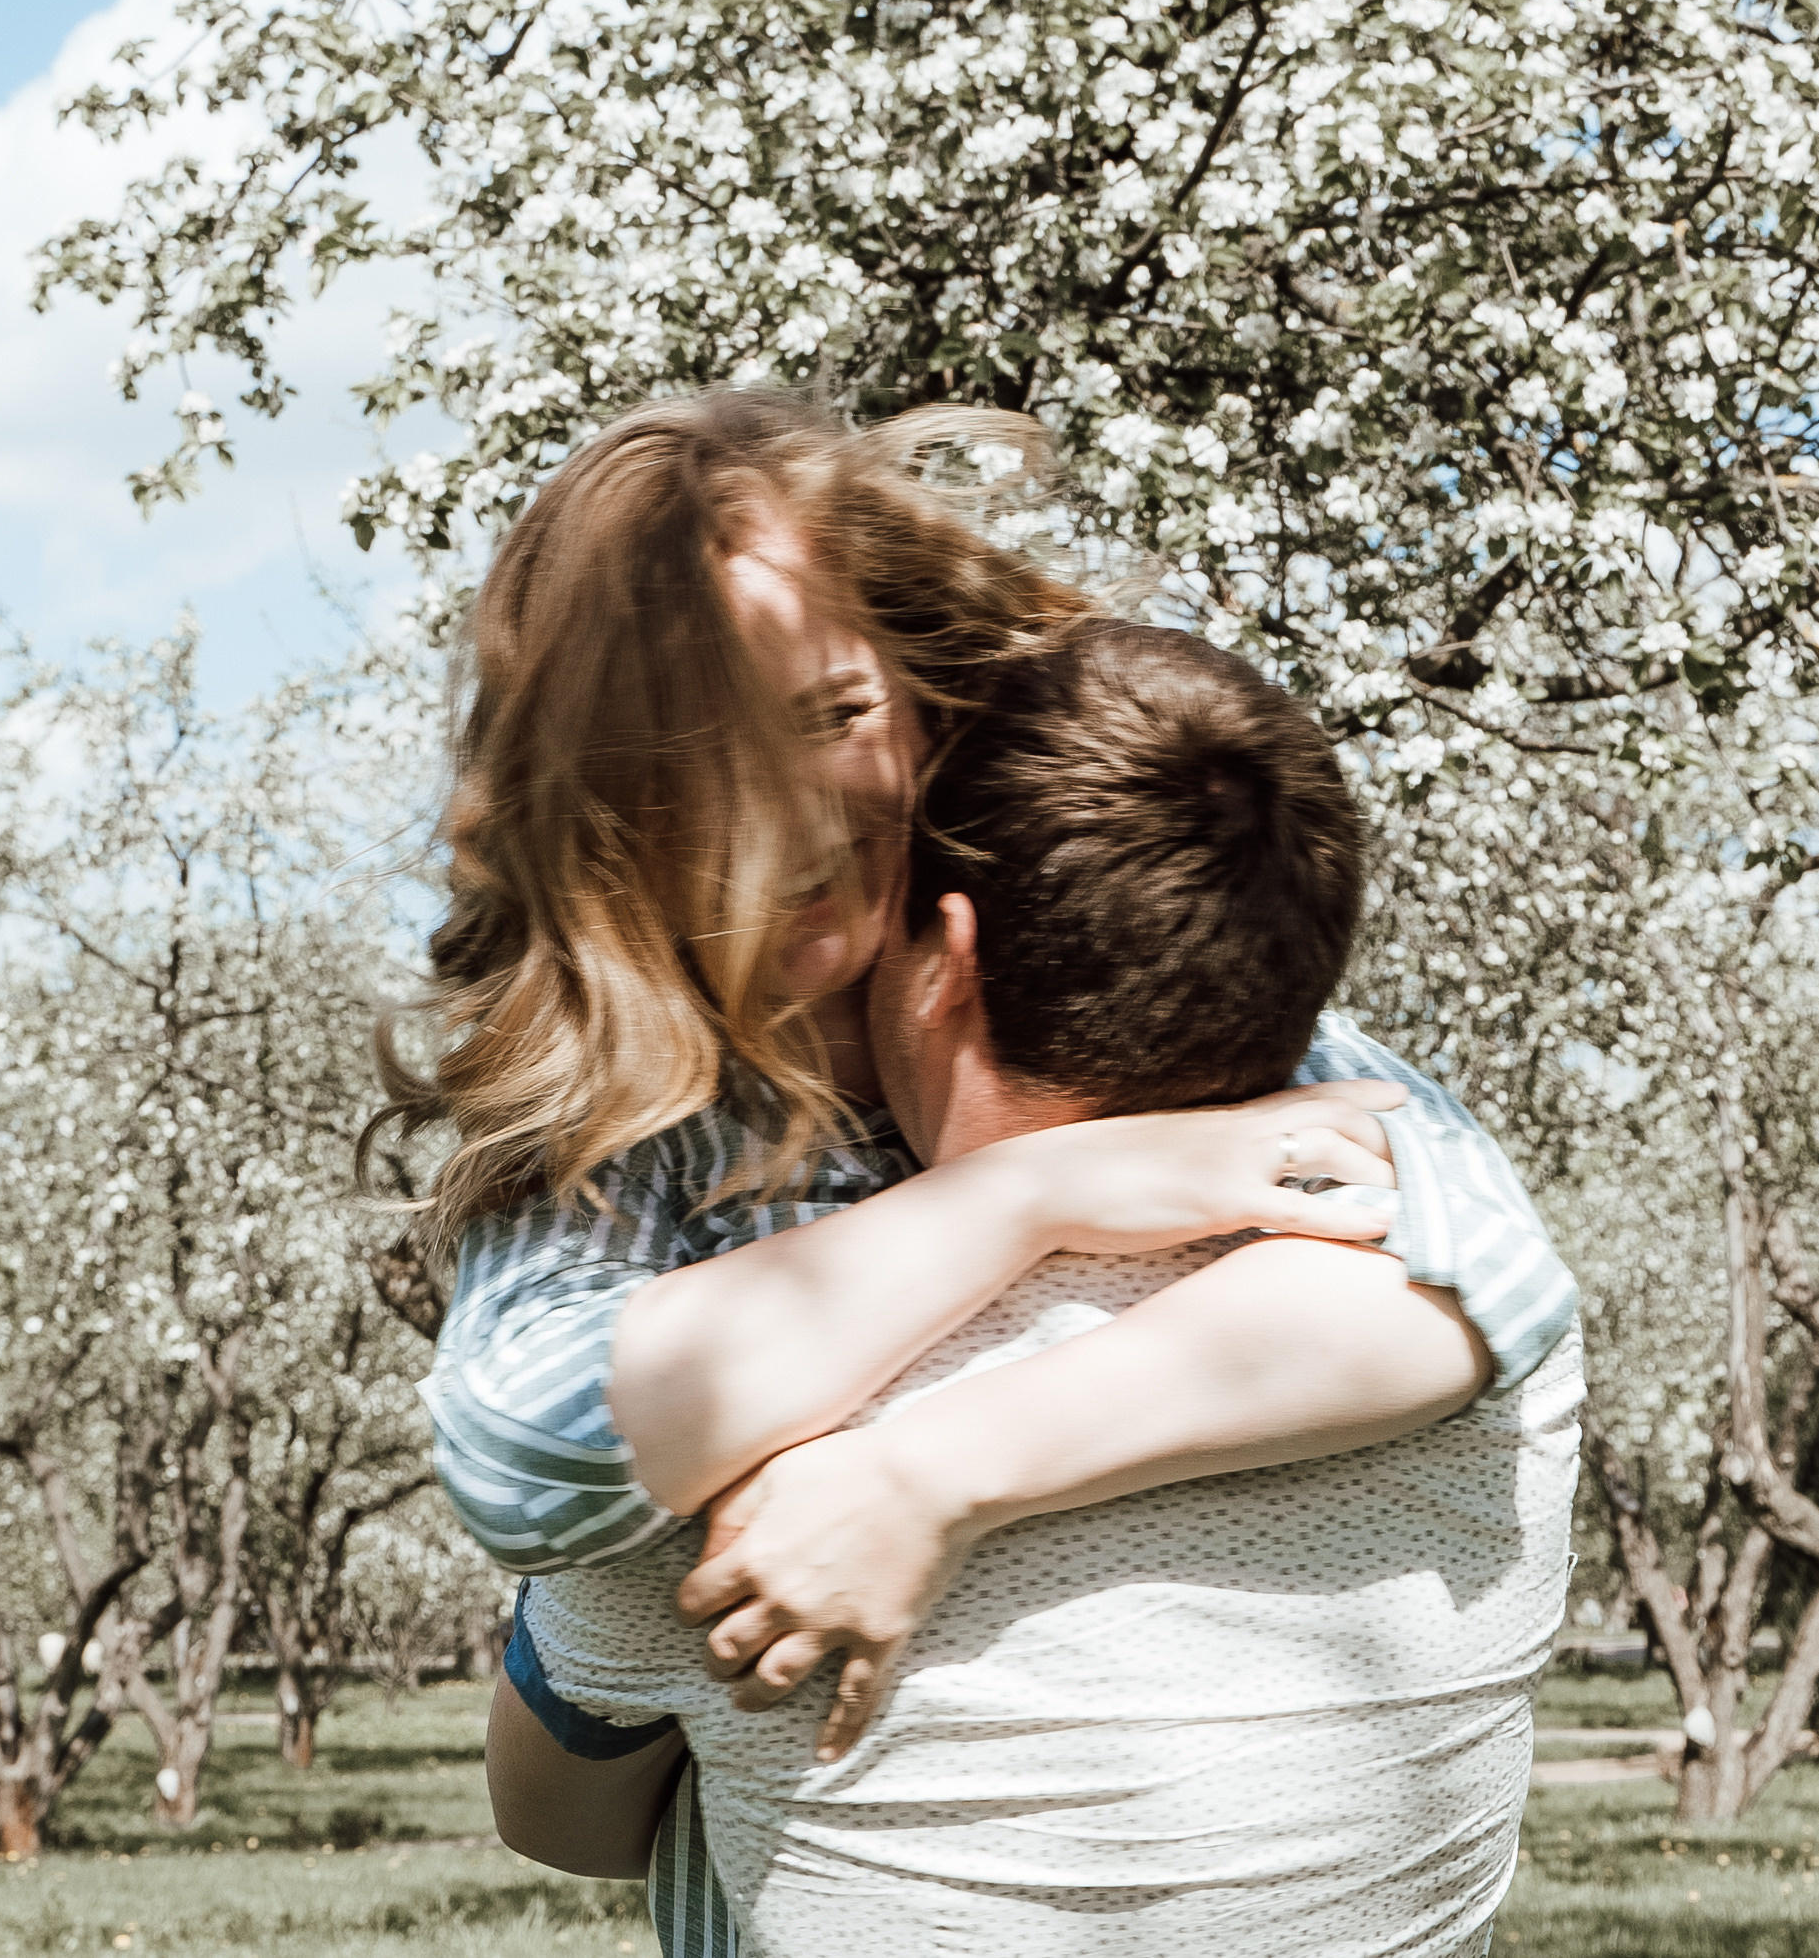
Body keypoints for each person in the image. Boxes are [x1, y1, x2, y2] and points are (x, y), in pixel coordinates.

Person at [397, 394, 1575, 1944]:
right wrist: (1027, 1196)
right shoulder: (636, 1136)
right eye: (709, 768)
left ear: (905, 669)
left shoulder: (1049, 909)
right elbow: (519, 1456)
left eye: (832, 714)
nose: (793, 819)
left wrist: (934, 1468)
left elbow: (1482, 1264)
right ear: (594, 799)